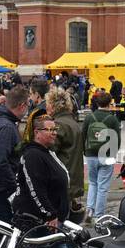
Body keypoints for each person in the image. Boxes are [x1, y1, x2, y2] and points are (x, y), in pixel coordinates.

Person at [11, 116, 70, 239]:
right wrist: (49, 214)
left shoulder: (46, 152)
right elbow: (35, 188)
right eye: (50, 130)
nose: (54, 133)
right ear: (37, 132)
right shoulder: (33, 155)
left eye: (55, 129)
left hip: (53, 222)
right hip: (40, 223)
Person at [0, 86, 29, 223]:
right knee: (5, 231)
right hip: (1, 190)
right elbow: (0, 162)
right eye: (27, 105)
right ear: (22, 105)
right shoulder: (6, 127)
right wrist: (14, 187)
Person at [47, 88, 85, 223]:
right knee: (68, 223)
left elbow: (50, 153)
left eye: (48, 104)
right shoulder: (72, 122)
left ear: (53, 105)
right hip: (73, 178)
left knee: (59, 226)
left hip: (63, 180)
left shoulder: (59, 124)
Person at [82, 91, 120, 220]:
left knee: (93, 183)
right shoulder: (112, 119)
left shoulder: (89, 117)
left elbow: (83, 136)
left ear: (97, 103)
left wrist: (84, 151)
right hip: (106, 155)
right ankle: (99, 215)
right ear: (109, 103)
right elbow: (117, 139)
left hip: (91, 154)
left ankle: (89, 209)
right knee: (103, 186)